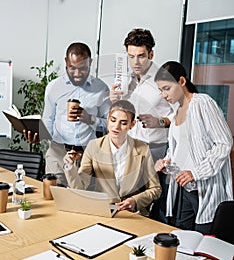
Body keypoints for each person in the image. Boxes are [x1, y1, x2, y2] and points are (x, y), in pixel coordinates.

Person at [154, 61, 233, 234]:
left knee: (205, 241)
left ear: (182, 81)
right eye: (161, 90)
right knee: (182, 239)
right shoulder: (176, 113)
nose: (164, 95)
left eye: (167, 88)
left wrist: (196, 173)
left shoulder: (202, 103)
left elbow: (224, 143)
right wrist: (166, 162)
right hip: (185, 189)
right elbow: (178, 150)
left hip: (204, 189)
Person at [110, 28, 175, 223]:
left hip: (156, 151)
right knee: (129, 205)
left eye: (141, 56)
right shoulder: (126, 80)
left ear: (151, 54)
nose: (136, 63)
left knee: (156, 204)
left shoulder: (164, 78)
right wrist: (114, 100)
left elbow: (181, 115)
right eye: (131, 57)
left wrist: (160, 122)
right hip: (131, 148)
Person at [26, 42, 111, 186]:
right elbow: (48, 120)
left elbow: (110, 124)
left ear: (90, 63)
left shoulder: (101, 88)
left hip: (87, 153)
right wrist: (39, 136)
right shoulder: (54, 87)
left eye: (83, 69)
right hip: (58, 152)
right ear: (66, 62)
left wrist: (89, 119)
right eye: (72, 68)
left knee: (82, 200)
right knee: (53, 197)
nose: (77, 74)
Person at [63, 100, 162, 216]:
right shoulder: (94, 146)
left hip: (132, 214)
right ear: (108, 119)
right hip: (102, 210)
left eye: (123, 123)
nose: (116, 127)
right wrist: (70, 167)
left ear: (132, 124)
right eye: (113, 120)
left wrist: (135, 200)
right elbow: (80, 187)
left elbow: (155, 189)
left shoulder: (142, 149)